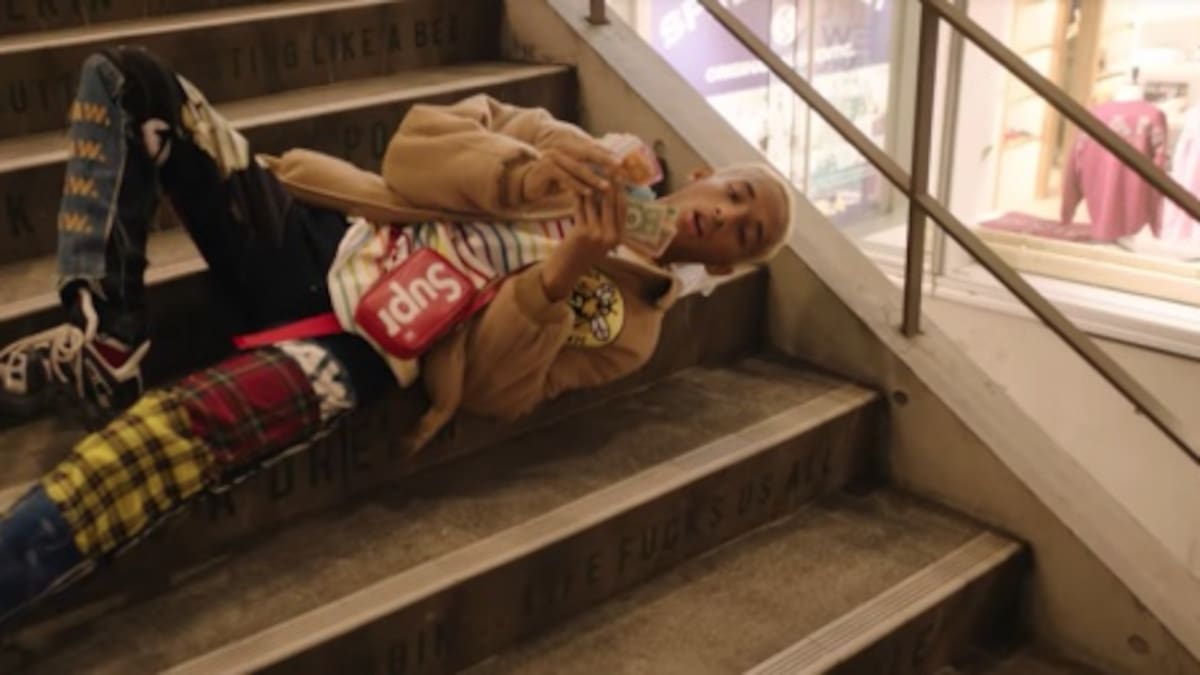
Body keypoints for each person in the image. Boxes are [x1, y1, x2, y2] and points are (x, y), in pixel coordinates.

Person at [0, 46, 794, 623]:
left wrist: (560, 277)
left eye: (743, 231)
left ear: (726, 266)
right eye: (734, 195)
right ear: (704, 177)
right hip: (324, 234)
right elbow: (411, 154)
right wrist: (531, 174)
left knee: (161, 440)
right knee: (131, 81)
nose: (724, 217)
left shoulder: (635, 322)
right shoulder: (568, 144)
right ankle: (109, 342)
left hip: (376, 346)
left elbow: (494, 389)